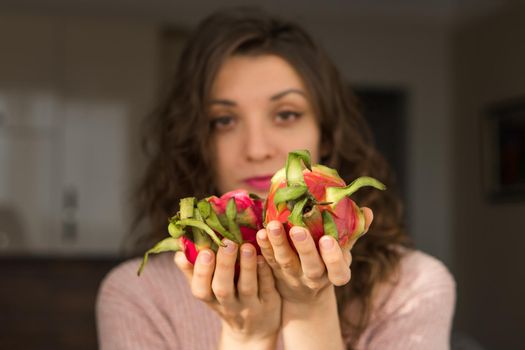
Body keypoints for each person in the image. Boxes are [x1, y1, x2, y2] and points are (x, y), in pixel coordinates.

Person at [96, 7, 456, 350]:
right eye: (224, 121)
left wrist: (310, 309)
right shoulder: (139, 295)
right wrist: (246, 337)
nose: (256, 149)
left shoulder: (412, 286)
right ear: (196, 143)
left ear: (326, 135)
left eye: (285, 114)